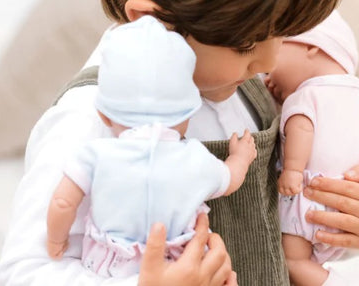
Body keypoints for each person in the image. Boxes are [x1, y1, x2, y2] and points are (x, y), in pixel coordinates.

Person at [0, 0, 359, 285]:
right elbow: (25, 272)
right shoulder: (90, 118)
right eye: (246, 44)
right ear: (150, 20)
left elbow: (289, 220)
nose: (270, 60)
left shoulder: (250, 89)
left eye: (282, 34)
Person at [46, 16, 257, 279]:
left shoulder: (96, 154)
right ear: (188, 115)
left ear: (104, 115)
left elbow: (63, 202)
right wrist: (241, 156)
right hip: (180, 265)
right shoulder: (195, 158)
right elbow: (231, 179)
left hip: (107, 264)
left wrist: (56, 241)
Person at [265, 12, 359, 286]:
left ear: (312, 47)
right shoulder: (354, 93)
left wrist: (292, 169)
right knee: (314, 261)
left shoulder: (306, 95)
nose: (266, 71)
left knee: (294, 262)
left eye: (276, 47)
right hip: (345, 205)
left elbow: (301, 128)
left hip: (307, 197)